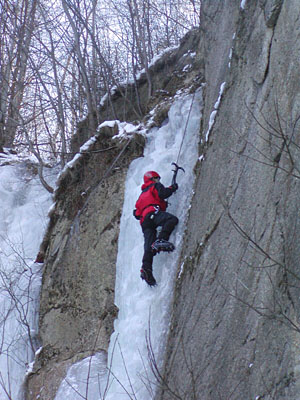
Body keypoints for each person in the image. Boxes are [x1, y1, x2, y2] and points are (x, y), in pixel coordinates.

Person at [133, 170, 179, 286]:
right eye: (157, 178)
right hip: (153, 213)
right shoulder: (155, 186)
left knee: (149, 247)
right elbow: (163, 193)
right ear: (152, 179)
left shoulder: (141, 196)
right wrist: (172, 188)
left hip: (145, 222)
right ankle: (161, 239)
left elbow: (137, 214)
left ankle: (146, 269)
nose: (159, 181)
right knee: (171, 220)